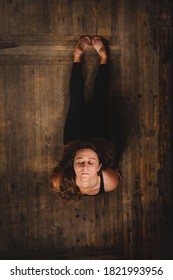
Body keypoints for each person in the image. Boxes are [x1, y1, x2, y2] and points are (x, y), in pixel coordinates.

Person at [51, 35, 121, 200]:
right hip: (99, 141)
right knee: (99, 100)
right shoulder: (110, 182)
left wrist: (76, 153)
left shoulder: (59, 181)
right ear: (99, 167)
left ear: (72, 164)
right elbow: (114, 169)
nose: (84, 166)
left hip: (73, 141)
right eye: (90, 162)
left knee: (76, 100)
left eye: (80, 162)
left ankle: (77, 56)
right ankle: (104, 58)